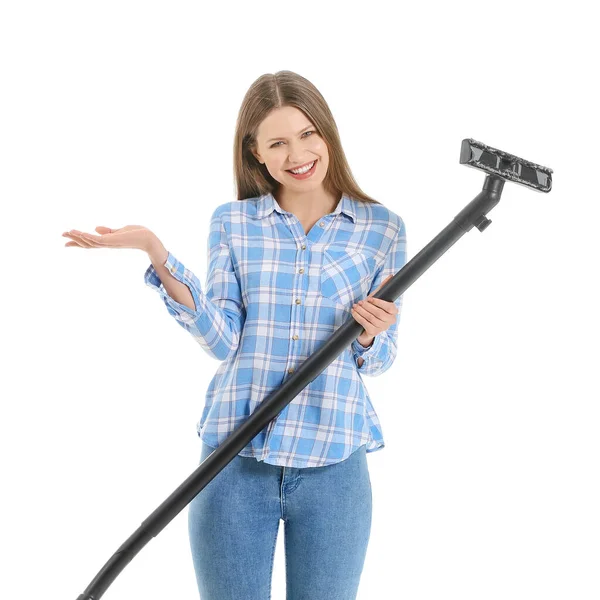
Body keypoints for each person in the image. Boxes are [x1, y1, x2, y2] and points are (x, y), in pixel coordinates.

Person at [61, 70, 407, 600]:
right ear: (256, 154)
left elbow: (380, 360)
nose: (298, 154)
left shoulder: (382, 228)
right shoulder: (233, 223)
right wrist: (158, 253)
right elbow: (225, 339)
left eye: (308, 134)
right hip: (234, 460)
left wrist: (367, 337)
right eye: (278, 142)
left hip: (335, 463)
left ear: (328, 134)